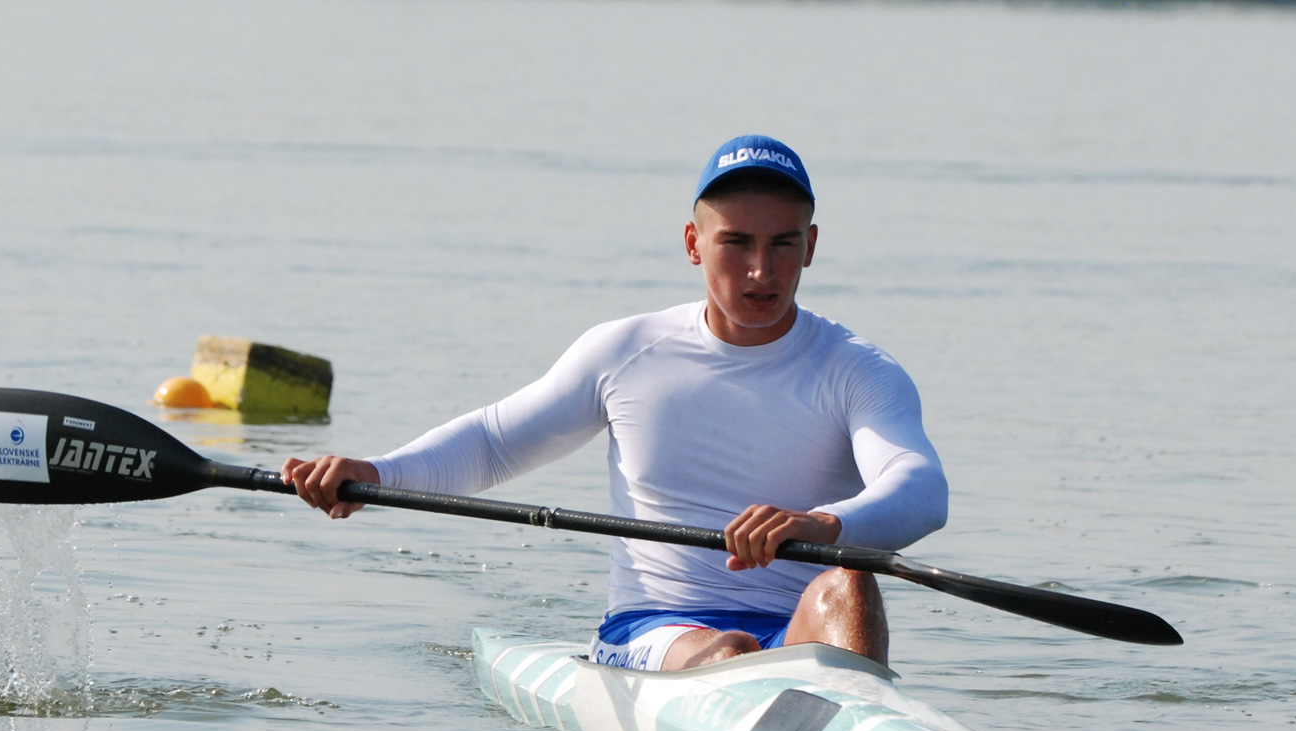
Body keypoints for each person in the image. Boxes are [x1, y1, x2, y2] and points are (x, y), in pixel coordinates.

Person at [283, 135, 947, 671]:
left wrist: (824, 526)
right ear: (694, 245)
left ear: (812, 245)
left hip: (794, 632)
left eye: (783, 244)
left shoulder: (857, 370)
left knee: (850, 583)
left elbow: (919, 488)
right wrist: (377, 475)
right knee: (730, 653)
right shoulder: (627, 353)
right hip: (656, 631)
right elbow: (493, 443)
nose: (760, 272)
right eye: (736, 243)